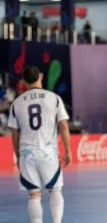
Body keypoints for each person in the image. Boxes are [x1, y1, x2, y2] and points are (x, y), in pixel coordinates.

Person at [7, 66, 72, 223]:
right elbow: (63, 126)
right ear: (41, 76)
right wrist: (68, 151)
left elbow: (15, 134)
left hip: (27, 154)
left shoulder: (16, 103)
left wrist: (17, 154)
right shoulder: (54, 98)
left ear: (23, 81)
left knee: (33, 194)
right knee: (55, 189)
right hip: (48, 153)